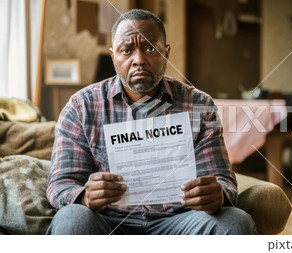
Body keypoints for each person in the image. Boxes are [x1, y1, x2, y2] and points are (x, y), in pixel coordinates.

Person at [46, 9, 256, 235]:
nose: (139, 60)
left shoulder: (199, 105)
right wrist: (85, 196)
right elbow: (60, 184)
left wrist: (219, 195)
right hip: (108, 221)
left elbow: (221, 179)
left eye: (150, 48)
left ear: (166, 52)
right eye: (126, 50)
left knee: (235, 222)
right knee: (72, 218)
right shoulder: (81, 107)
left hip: (180, 221)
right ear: (113, 55)